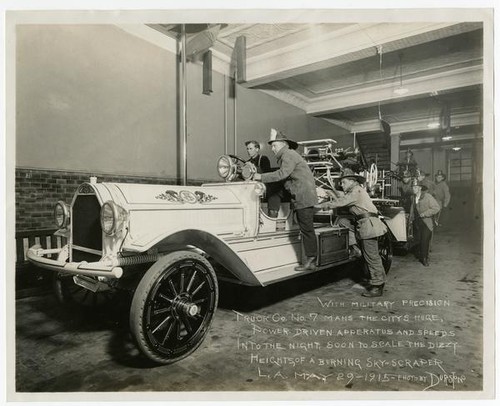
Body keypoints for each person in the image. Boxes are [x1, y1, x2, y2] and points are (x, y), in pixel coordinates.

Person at [254, 129, 318, 272]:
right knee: (305, 228)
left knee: (307, 229)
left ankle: (311, 261)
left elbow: (282, 174)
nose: (272, 148)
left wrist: (260, 177)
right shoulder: (289, 155)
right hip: (301, 195)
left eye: (274, 145)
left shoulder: (288, 155)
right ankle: (273, 216)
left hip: (303, 197)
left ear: (282, 144)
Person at [320, 168, 388, 297]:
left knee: (372, 257)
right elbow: (342, 196)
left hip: (368, 226)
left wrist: (320, 205)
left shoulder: (356, 191)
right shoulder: (355, 190)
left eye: (344, 182)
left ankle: (377, 286)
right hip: (362, 224)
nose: (342, 184)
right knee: (343, 222)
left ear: (352, 181)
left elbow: (342, 201)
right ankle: (355, 249)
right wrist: (331, 191)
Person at [409, 179, 441, 267]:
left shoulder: (427, 196)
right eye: (412, 187)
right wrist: (410, 219)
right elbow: (412, 208)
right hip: (417, 222)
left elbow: (436, 208)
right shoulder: (413, 197)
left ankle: (425, 259)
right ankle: (422, 255)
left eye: (415, 187)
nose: (413, 189)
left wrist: (425, 213)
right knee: (418, 240)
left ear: (420, 188)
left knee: (425, 240)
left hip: (427, 222)